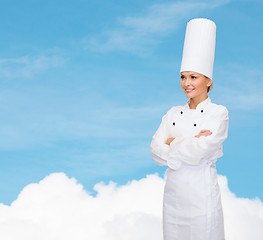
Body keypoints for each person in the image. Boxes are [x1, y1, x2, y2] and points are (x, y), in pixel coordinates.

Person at [150, 18, 229, 240]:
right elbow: (155, 151)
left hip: (201, 194)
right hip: (174, 195)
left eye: (193, 77)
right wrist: (190, 141)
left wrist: (171, 142)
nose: (187, 83)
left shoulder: (218, 113)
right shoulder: (173, 113)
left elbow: (202, 151)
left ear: (208, 81)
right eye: (183, 77)